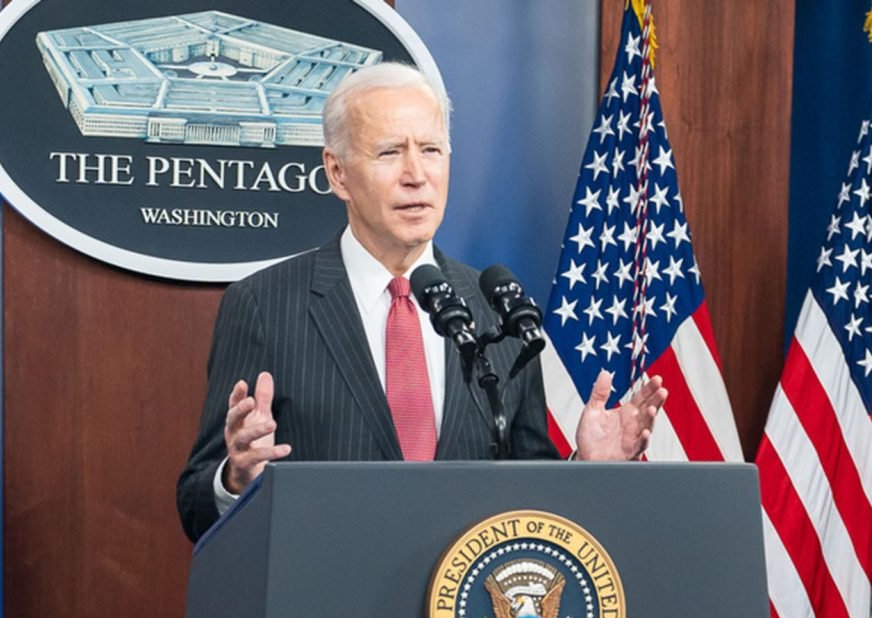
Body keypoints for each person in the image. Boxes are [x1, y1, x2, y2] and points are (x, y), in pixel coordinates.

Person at [176, 62, 666, 542]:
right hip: (324, 608)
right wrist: (235, 480)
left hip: (466, 614)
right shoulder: (264, 304)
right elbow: (197, 504)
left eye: (431, 149)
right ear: (338, 174)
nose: (416, 174)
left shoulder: (498, 309)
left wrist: (587, 469)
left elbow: (526, 498)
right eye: (390, 152)